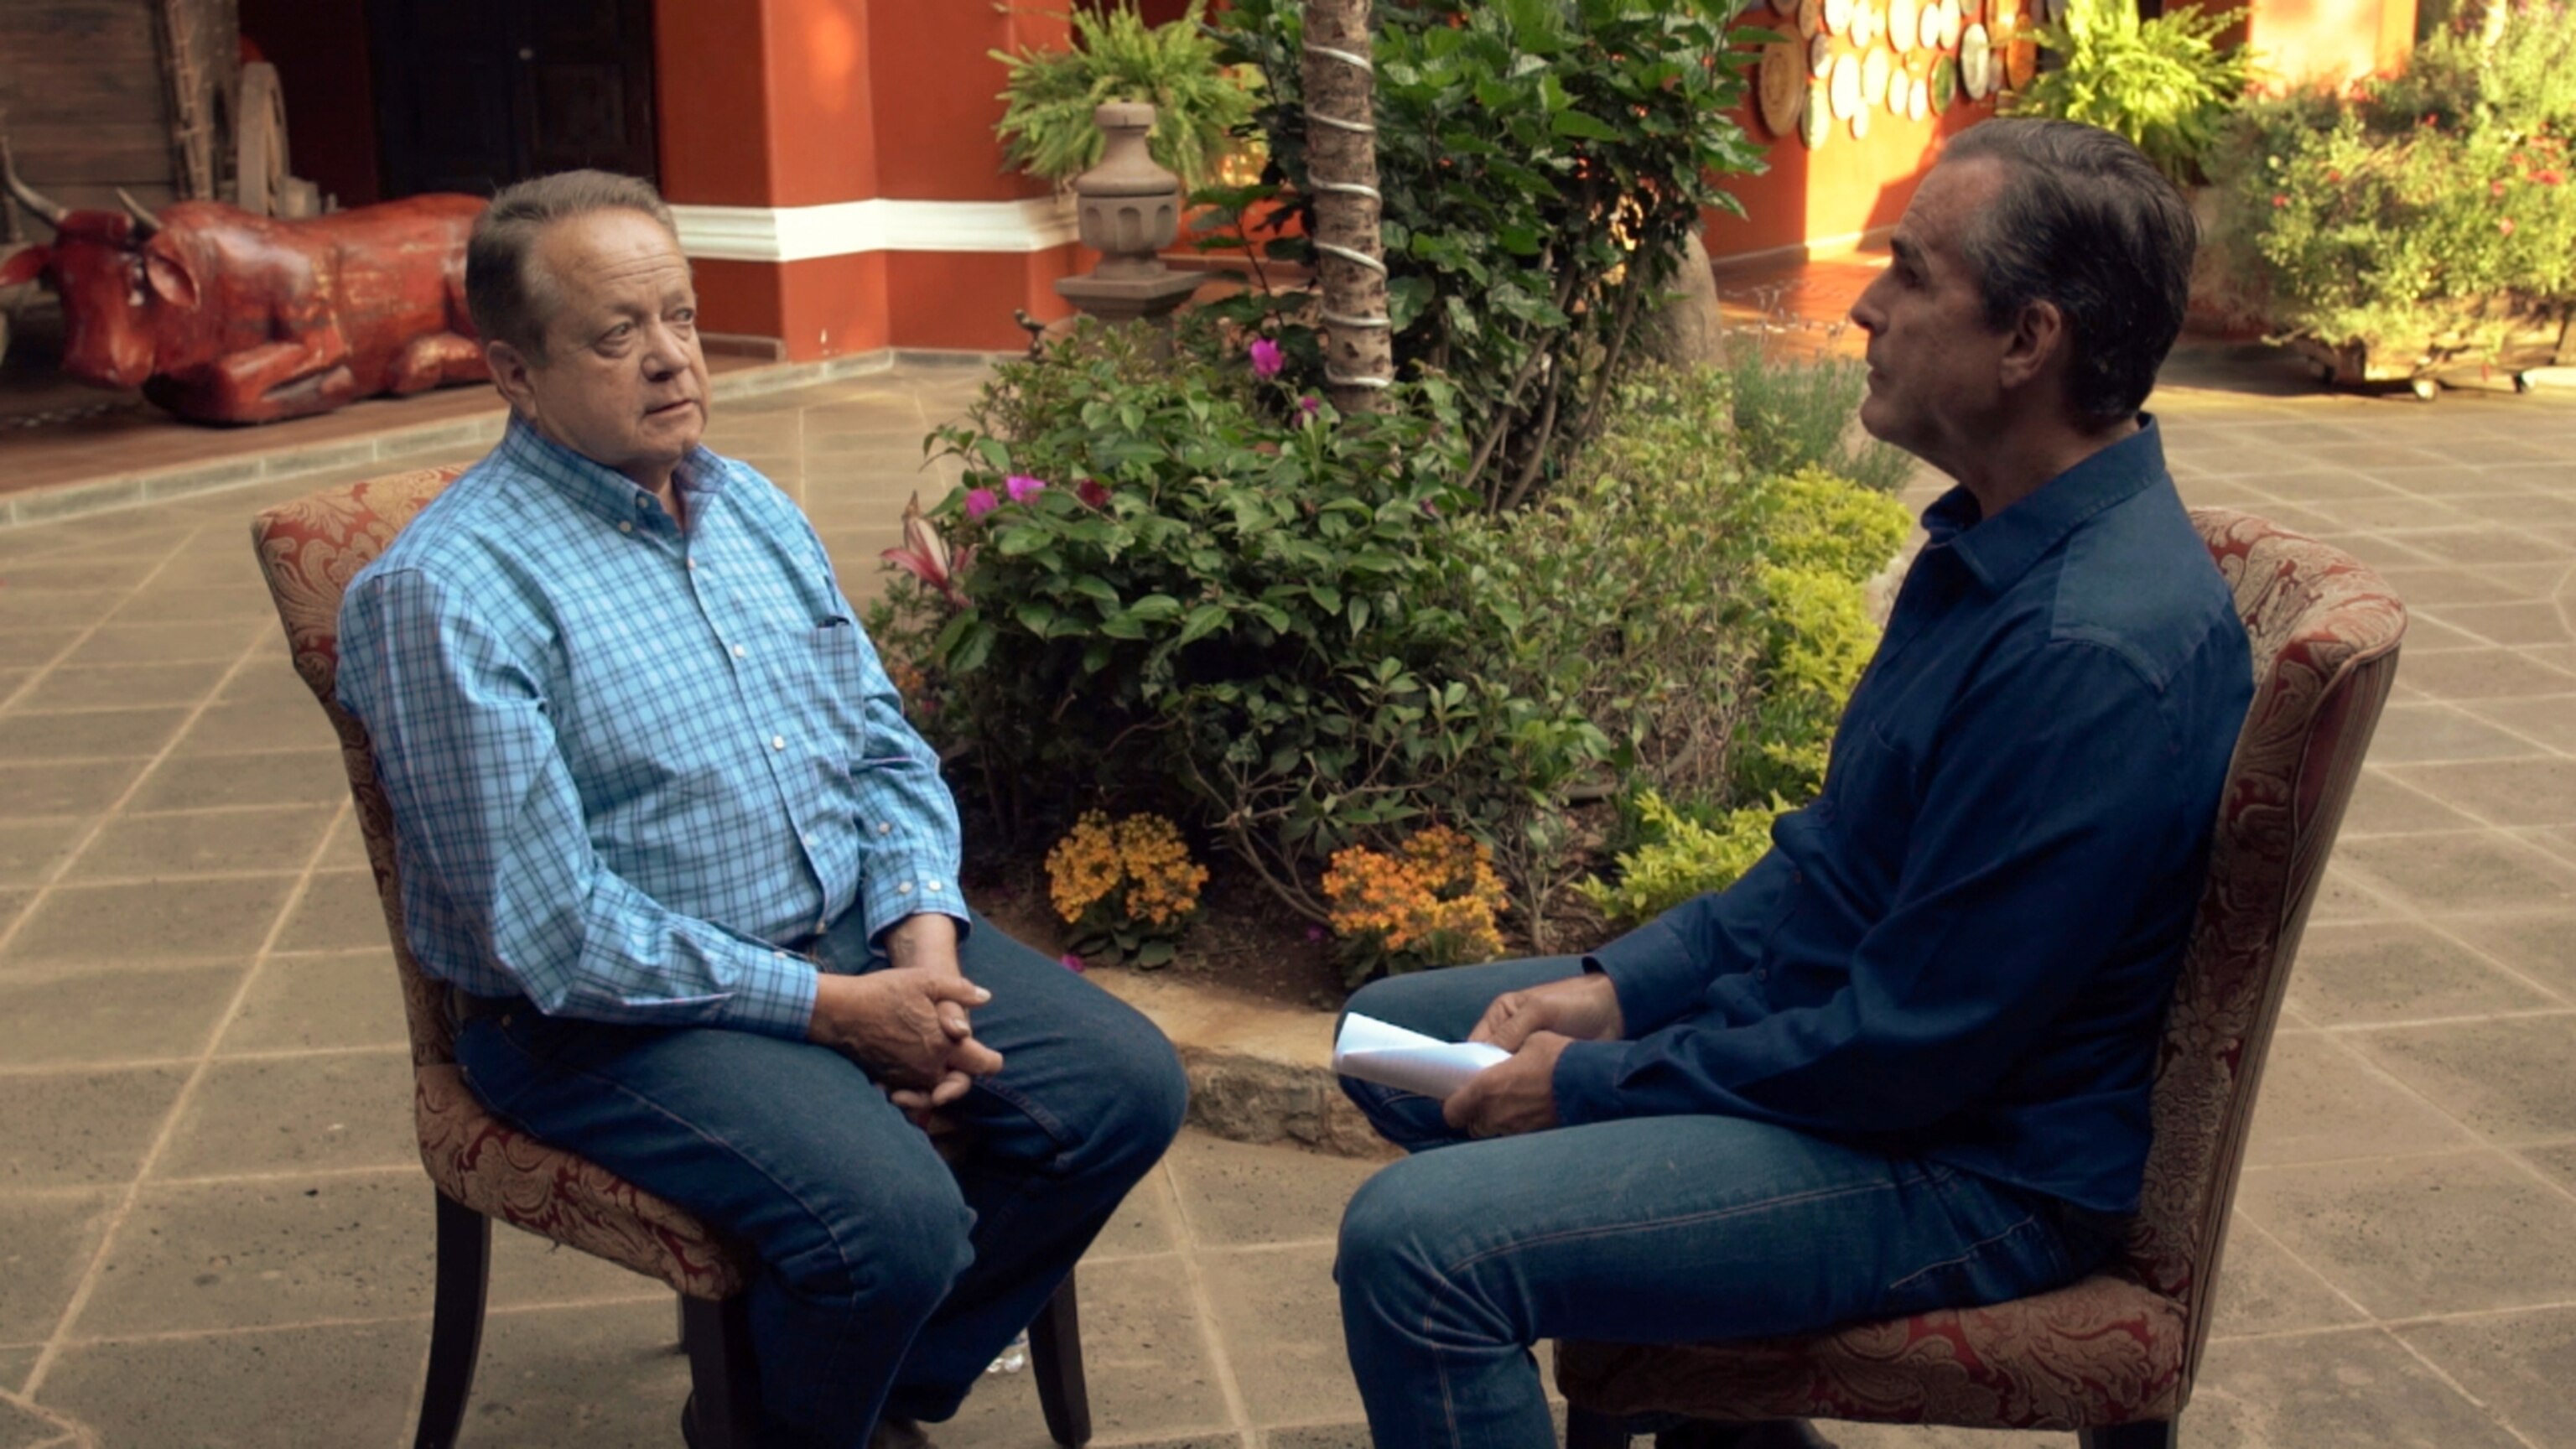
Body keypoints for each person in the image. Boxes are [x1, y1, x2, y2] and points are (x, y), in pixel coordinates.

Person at [1332, 119, 2255, 1449]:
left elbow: (1905, 1057)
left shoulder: (2088, 656)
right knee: (1385, 1037)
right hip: (1863, 1063)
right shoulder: (1995, 546)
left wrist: (1591, 1084)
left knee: (1421, 1249)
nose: (1866, 308)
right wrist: (1614, 990)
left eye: (1911, 273)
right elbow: (1834, 861)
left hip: (1961, 1167)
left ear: (2026, 341)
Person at [335, 169, 1188, 1449]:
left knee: (1127, 1088)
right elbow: (551, 935)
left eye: (680, 315)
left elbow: (883, 749)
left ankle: (842, 1397)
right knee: (894, 1221)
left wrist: (924, 950)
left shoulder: (747, 508)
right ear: (514, 372)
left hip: (846, 936)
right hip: (599, 1021)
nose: (672, 359)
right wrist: (845, 1018)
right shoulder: (447, 593)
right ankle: (804, 1400)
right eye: (616, 336)